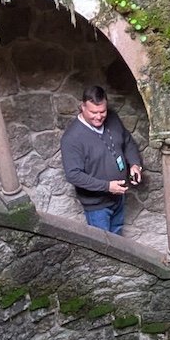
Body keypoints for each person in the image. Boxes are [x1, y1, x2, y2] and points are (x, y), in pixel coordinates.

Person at [59, 85, 142, 235]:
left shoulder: (112, 118)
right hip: (97, 207)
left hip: (118, 197)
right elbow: (73, 175)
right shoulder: (71, 138)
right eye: (93, 112)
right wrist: (107, 186)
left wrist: (134, 164)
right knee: (104, 244)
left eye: (102, 111)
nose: (99, 117)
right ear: (83, 107)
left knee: (118, 237)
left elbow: (127, 140)